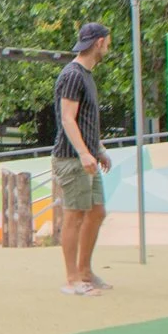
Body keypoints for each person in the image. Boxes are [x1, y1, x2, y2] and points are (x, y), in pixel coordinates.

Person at [51, 21, 112, 295]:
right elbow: (67, 118)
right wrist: (84, 152)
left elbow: (87, 121)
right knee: (74, 215)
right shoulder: (73, 75)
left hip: (87, 156)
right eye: (107, 42)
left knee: (97, 211)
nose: (108, 47)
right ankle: (72, 279)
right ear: (99, 42)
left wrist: (97, 149)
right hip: (72, 158)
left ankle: (86, 271)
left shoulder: (88, 75)